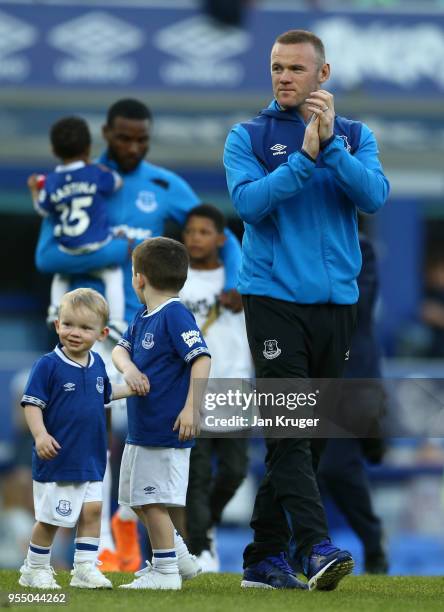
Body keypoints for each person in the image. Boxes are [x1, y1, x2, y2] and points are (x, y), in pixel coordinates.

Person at [34, 98, 242, 572]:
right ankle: (106, 540)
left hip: (149, 331)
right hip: (92, 328)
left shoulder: (164, 185)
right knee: (91, 429)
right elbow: (46, 257)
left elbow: (222, 234)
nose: (133, 146)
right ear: (105, 134)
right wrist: (112, 251)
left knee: (153, 443)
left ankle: (161, 546)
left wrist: (236, 282)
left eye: (142, 139)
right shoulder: (79, 182)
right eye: (124, 137)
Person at [223, 29, 390, 590]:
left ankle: (262, 560)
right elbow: (247, 203)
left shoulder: (355, 134)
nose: (283, 77)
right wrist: (303, 159)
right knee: (290, 427)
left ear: (324, 74)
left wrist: (332, 147)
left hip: (338, 303)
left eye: (295, 68)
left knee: (308, 434)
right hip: (272, 299)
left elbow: (374, 197)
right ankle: (315, 546)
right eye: (276, 68)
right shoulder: (247, 134)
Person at [18, 288, 140, 590]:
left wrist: (134, 386)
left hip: (92, 457)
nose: (75, 332)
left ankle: (84, 568)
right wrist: (40, 434)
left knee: (93, 512)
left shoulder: (98, 364)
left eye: (86, 327)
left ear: (102, 333)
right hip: (59, 458)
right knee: (52, 519)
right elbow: (32, 403)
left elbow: (107, 393)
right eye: (69, 324)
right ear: (57, 324)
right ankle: (34, 568)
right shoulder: (48, 364)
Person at [112, 237, 211, 590]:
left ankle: (165, 573)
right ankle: (180, 558)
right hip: (141, 430)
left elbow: (201, 357)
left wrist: (191, 408)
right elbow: (119, 352)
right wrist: (129, 371)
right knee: (135, 500)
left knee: (151, 500)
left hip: (165, 429)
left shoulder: (174, 314)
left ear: (138, 278)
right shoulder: (142, 317)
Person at [179, 204, 252, 571]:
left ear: (221, 239)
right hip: (193, 386)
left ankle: (204, 521)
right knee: (197, 471)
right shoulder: (176, 280)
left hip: (235, 382)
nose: (195, 238)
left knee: (236, 470)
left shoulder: (242, 277)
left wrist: (243, 297)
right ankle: (201, 546)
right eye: (190, 231)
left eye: (204, 232)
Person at [317, 235, 389, 575]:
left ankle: (372, 540)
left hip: (351, 372)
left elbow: (356, 306)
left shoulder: (361, 247)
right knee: (302, 463)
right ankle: (306, 549)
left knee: (336, 467)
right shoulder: (293, 241)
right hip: (308, 370)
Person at [28, 116, 125, 327]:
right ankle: (117, 322)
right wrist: (102, 169)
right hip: (98, 245)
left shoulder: (52, 180)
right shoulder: (95, 173)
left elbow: (43, 210)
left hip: (68, 247)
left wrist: (36, 191)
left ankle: (55, 310)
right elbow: (117, 182)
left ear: (54, 150)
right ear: (89, 148)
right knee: (113, 275)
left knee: (61, 276)